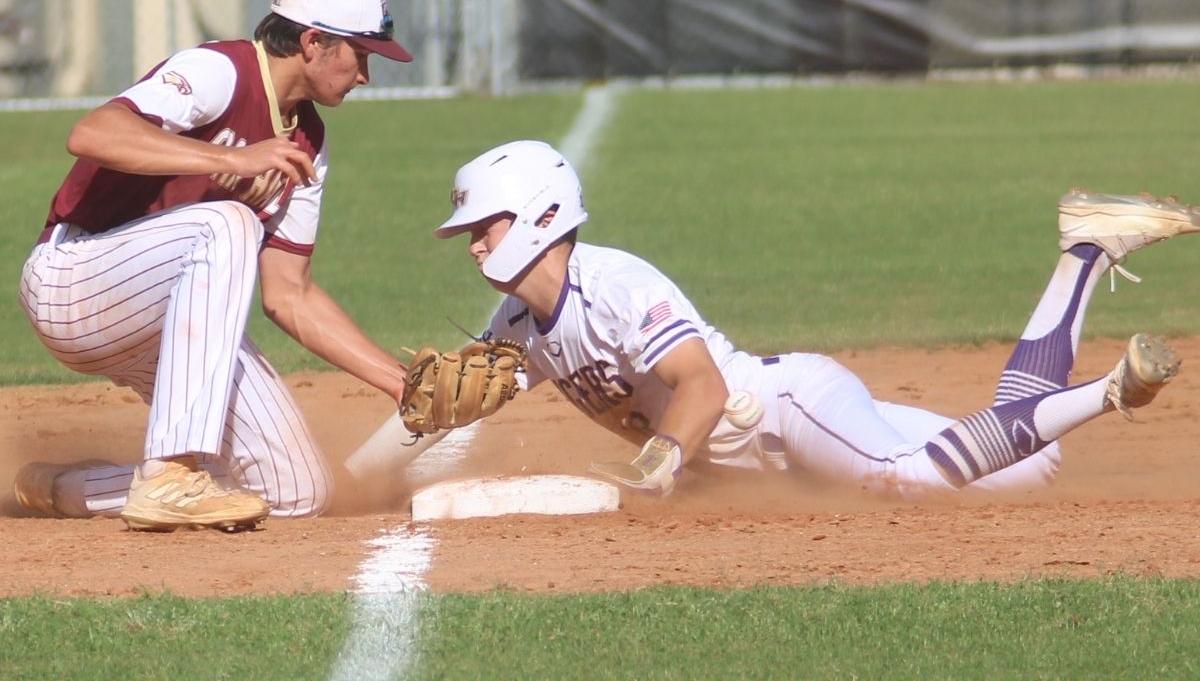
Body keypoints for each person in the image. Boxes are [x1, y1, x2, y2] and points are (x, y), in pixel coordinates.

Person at [431, 139, 1196, 499]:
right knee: (1032, 464)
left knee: (913, 484)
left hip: (790, 411)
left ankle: (1112, 391)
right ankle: (1087, 248)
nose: (473, 245)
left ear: (537, 216)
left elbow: (697, 386)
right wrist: (401, 432)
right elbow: (458, 401)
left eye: (484, 227)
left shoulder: (615, 284)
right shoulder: (517, 326)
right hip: (781, 455)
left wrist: (657, 463)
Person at [14, 0, 413, 531]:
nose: (366, 75)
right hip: (73, 279)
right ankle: (170, 475)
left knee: (298, 490)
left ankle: (65, 489)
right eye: (362, 55)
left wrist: (402, 385)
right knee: (227, 222)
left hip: (161, 324)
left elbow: (289, 294)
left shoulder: (307, 142)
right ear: (314, 42)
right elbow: (92, 133)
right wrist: (231, 158)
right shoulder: (219, 71)